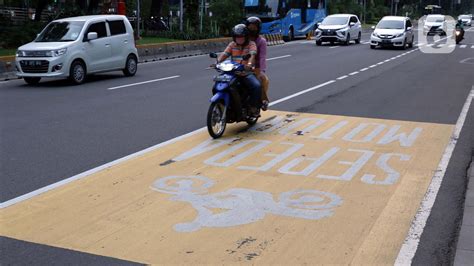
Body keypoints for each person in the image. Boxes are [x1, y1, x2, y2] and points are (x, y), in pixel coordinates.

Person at [216, 24, 262, 117]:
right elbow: (224, 54)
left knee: (256, 86)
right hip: (232, 72)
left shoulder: (251, 44)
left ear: (246, 37)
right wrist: (217, 62)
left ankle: (253, 107)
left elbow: (252, 55)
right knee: (217, 85)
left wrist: (249, 64)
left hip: (246, 72)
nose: (239, 39)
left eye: (241, 37)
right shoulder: (232, 44)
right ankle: (222, 105)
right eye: (237, 37)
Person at [246, 16, 270, 111]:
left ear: (258, 28)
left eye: (254, 27)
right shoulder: (244, 39)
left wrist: (262, 71)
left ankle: (263, 101)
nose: (252, 29)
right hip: (243, 66)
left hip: (256, 67)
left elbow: (262, 57)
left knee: (262, 80)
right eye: (250, 27)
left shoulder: (261, 41)